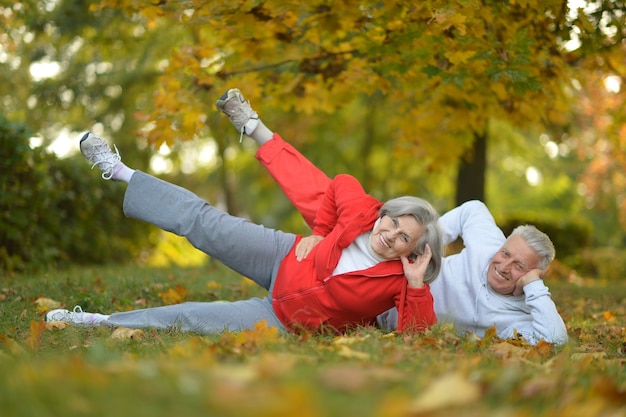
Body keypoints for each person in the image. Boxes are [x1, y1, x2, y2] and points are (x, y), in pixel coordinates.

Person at [45, 90, 445, 336]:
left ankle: (99, 320)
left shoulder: (399, 280)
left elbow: (419, 336)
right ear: (384, 215)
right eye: (393, 222)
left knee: (190, 318)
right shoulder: (364, 212)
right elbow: (339, 182)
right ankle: (121, 172)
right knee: (203, 220)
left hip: (282, 319)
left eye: (404, 238)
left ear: (411, 250)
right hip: (281, 254)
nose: (391, 235)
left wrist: (415, 284)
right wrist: (322, 233)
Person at [212, 89, 568, 346]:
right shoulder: (491, 247)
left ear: (534, 275)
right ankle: (256, 128)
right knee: (328, 198)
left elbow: (556, 340)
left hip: (393, 295)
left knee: (333, 208)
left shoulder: (518, 317)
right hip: (400, 255)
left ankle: (258, 131)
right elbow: (474, 208)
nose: (503, 265)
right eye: (506, 253)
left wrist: (533, 287)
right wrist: (421, 244)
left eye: (520, 266)